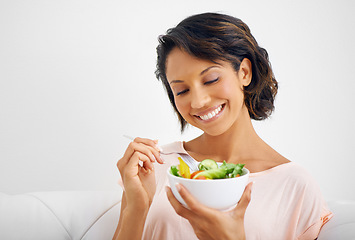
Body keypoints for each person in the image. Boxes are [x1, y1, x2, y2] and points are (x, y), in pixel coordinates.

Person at [114, 12, 332, 240]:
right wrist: (136, 210)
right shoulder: (154, 166)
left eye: (211, 80)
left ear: (244, 73)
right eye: (182, 91)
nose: (198, 101)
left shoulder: (294, 186)